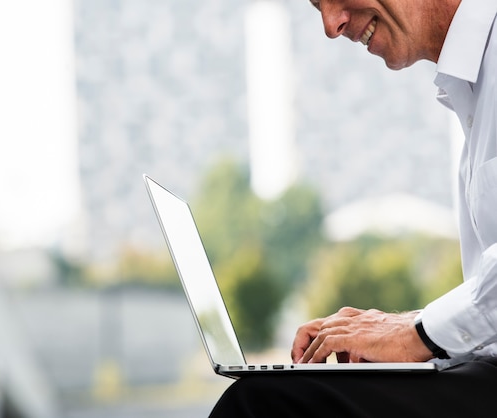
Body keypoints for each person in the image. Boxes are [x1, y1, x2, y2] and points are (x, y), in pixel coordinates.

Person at [209, 0, 497, 416]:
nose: (330, 24)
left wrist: (417, 333)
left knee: (266, 405)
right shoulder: (473, 88)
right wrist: (396, 329)